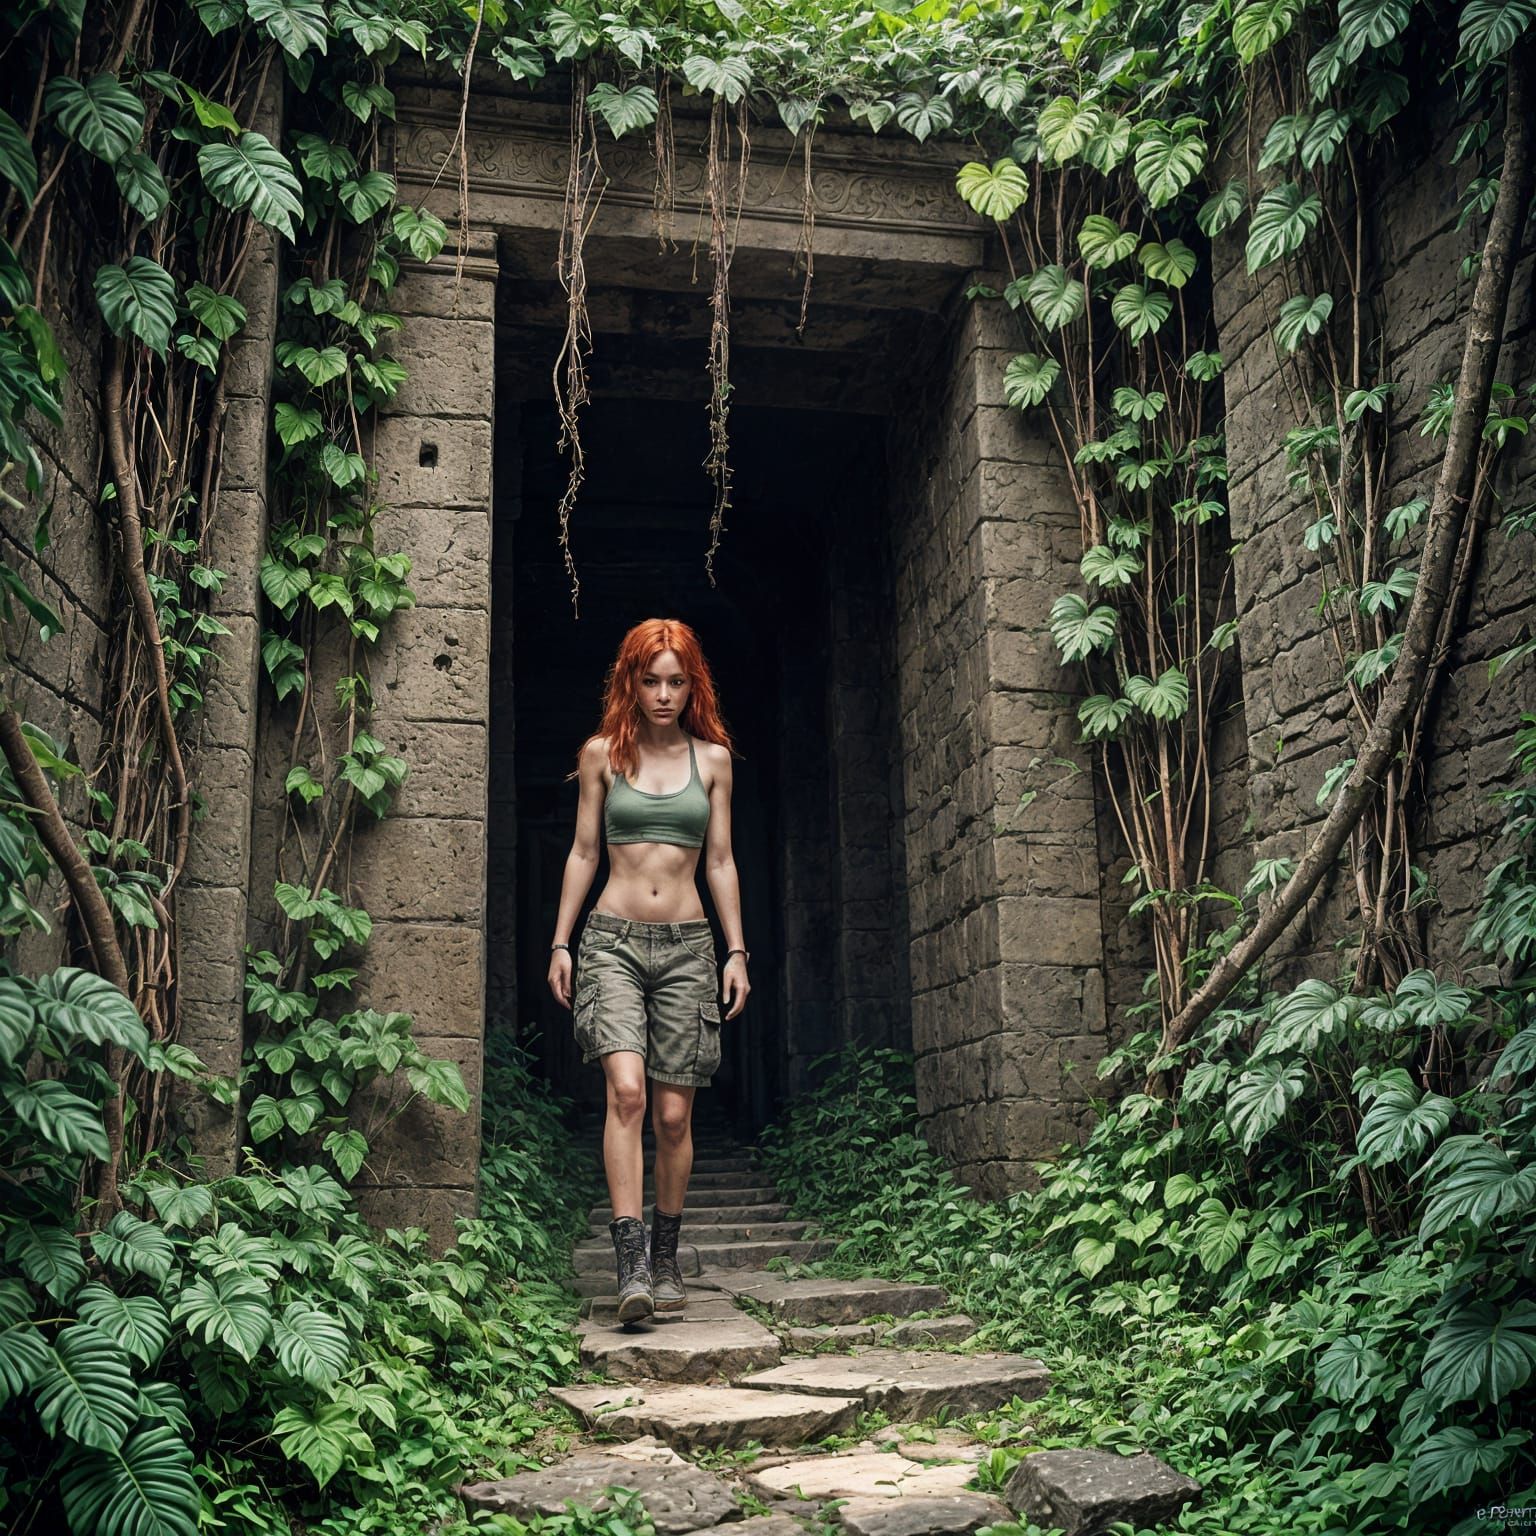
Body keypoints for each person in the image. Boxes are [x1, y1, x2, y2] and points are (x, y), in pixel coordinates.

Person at [547, 618, 752, 1324]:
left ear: (693, 687)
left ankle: (665, 1259)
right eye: (651, 681)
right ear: (630, 684)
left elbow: (720, 861)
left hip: (690, 947)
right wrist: (561, 942)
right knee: (628, 1094)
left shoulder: (714, 761)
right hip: (612, 943)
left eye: (676, 682)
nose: (663, 694)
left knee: (673, 1114)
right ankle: (631, 1266)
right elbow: (583, 852)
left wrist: (736, 951)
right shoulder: (601, 755)